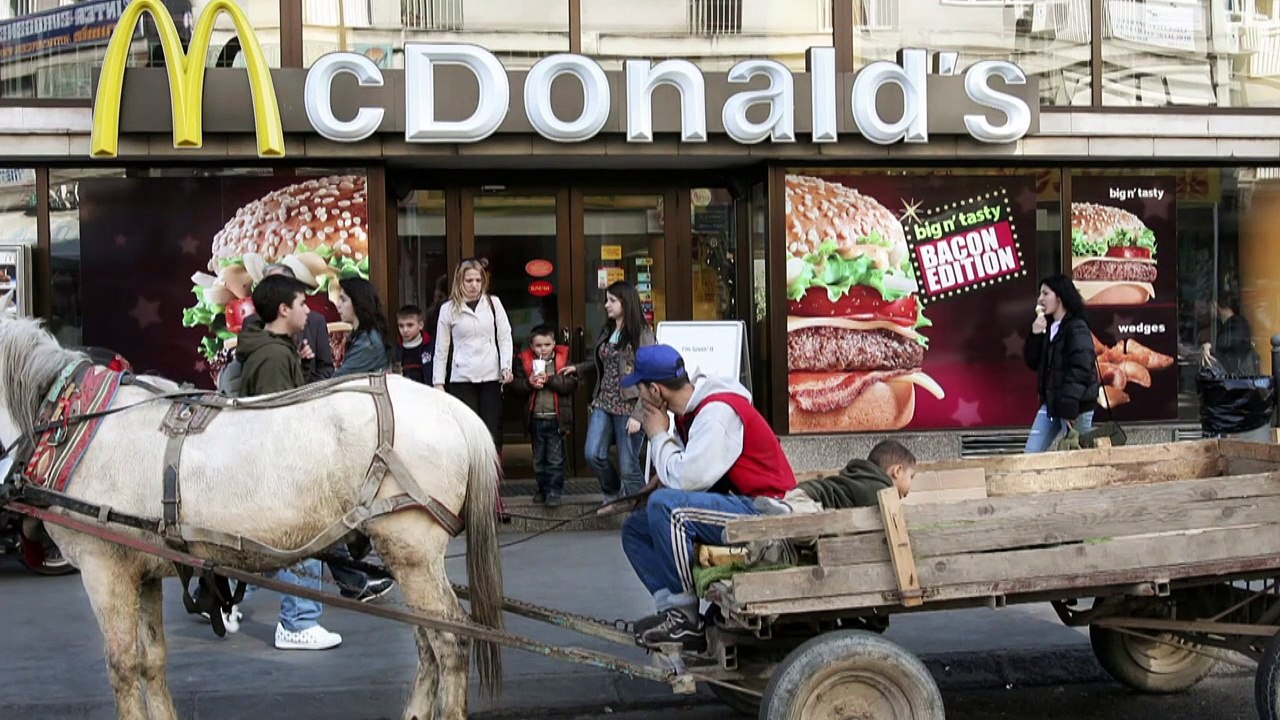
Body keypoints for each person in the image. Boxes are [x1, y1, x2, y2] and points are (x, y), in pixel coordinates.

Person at [619, 344, 799, 649]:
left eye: (640, 389)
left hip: (766, 512)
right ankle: (671, 612)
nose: (638, 398)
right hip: (740, 504)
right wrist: (661, 476)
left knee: (667, 508)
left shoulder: (716, 413)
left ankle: (685, 618)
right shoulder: (692, 410)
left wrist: (658, 435)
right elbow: (688, 473)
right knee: (635, 529)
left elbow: (688, 480)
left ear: (655, 390)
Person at [236, 274, 342, 650]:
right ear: (283, 310)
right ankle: (297, 623)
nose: (308, 310)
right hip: (280, 469)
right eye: (301, 304)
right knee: (303, 539)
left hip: (275, 465)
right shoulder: (274, 356)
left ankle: (225, 599)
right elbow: (277, 423)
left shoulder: (279, 349)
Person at [560, 281, 655, 502]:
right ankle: (613, 492)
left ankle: (643, 510)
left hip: (629, 406)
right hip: (604, 402)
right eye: (607, 300)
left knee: (629, 466)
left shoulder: (642, 333)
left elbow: (650, 375)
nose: (606, 305)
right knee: (593, 454)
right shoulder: (609, 329)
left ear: (626, 302)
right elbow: (605, 362)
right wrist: (579, 368)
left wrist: (639, 415)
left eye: (612, 300)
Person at [433, 259, 514, 451]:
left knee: (491, 432)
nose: (474, 285)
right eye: (469, 280)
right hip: (462, 377)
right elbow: (441, 347)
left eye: (478, 280)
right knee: (467, 432)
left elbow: (504, 336)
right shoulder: (448, 308)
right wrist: (438, 382)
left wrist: (506, 366)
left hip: (491, 376)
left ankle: (492, 478)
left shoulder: (493, 303)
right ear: (460, 281)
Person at [1023, 274, 1100, 453]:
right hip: (1051, 403)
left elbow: (1081, 368)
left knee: (1078, 458)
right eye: (1040, 294)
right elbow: (1033, 362)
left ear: (1060, 297)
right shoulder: (1048, 327)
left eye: (1045, 293)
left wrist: (1069, 407)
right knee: (1031, 453)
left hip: (1076, 406)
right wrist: (1035, 334)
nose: (1040, 299)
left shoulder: (1076, 327)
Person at [510, 325, 579, 507]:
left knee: (555, 459)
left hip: (556, 418)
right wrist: (528, 383)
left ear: (554, 344)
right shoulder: (525, 362)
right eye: (539, 345)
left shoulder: (562, 361)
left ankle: (554, 491)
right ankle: (542, 489)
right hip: (535, 418)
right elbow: (515, 386)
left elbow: (570, 385)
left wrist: (549, 379)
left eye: (547, 344)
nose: (543, 349)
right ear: (532, 346)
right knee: (538, 460)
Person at [798, 440, 917, 509]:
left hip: (806, 492)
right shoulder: (879, 491)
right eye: (911, 477)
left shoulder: (861, 479)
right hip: (809, 500)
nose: (911, 485)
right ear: (897, 471)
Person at [333, 277, 393, 377]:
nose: (338, 305)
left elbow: (339, 379)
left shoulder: (368, 342)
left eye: (343, 300)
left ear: (358, 302)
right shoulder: (363, 335)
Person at [1207, 294, 1259, 376]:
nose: (1208, 311)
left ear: (1214, 304)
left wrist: (1209, 346)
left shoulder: (1237, 324)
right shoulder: (1231, 325)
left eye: (1209, 305)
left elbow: (1226, 345)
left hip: (1239, 376)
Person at [395, 304, 434, 384]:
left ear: (420, 325)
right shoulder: (396, 350)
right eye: (401, 326)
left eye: (410, 325)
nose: (405, 330)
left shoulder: (430, 347)